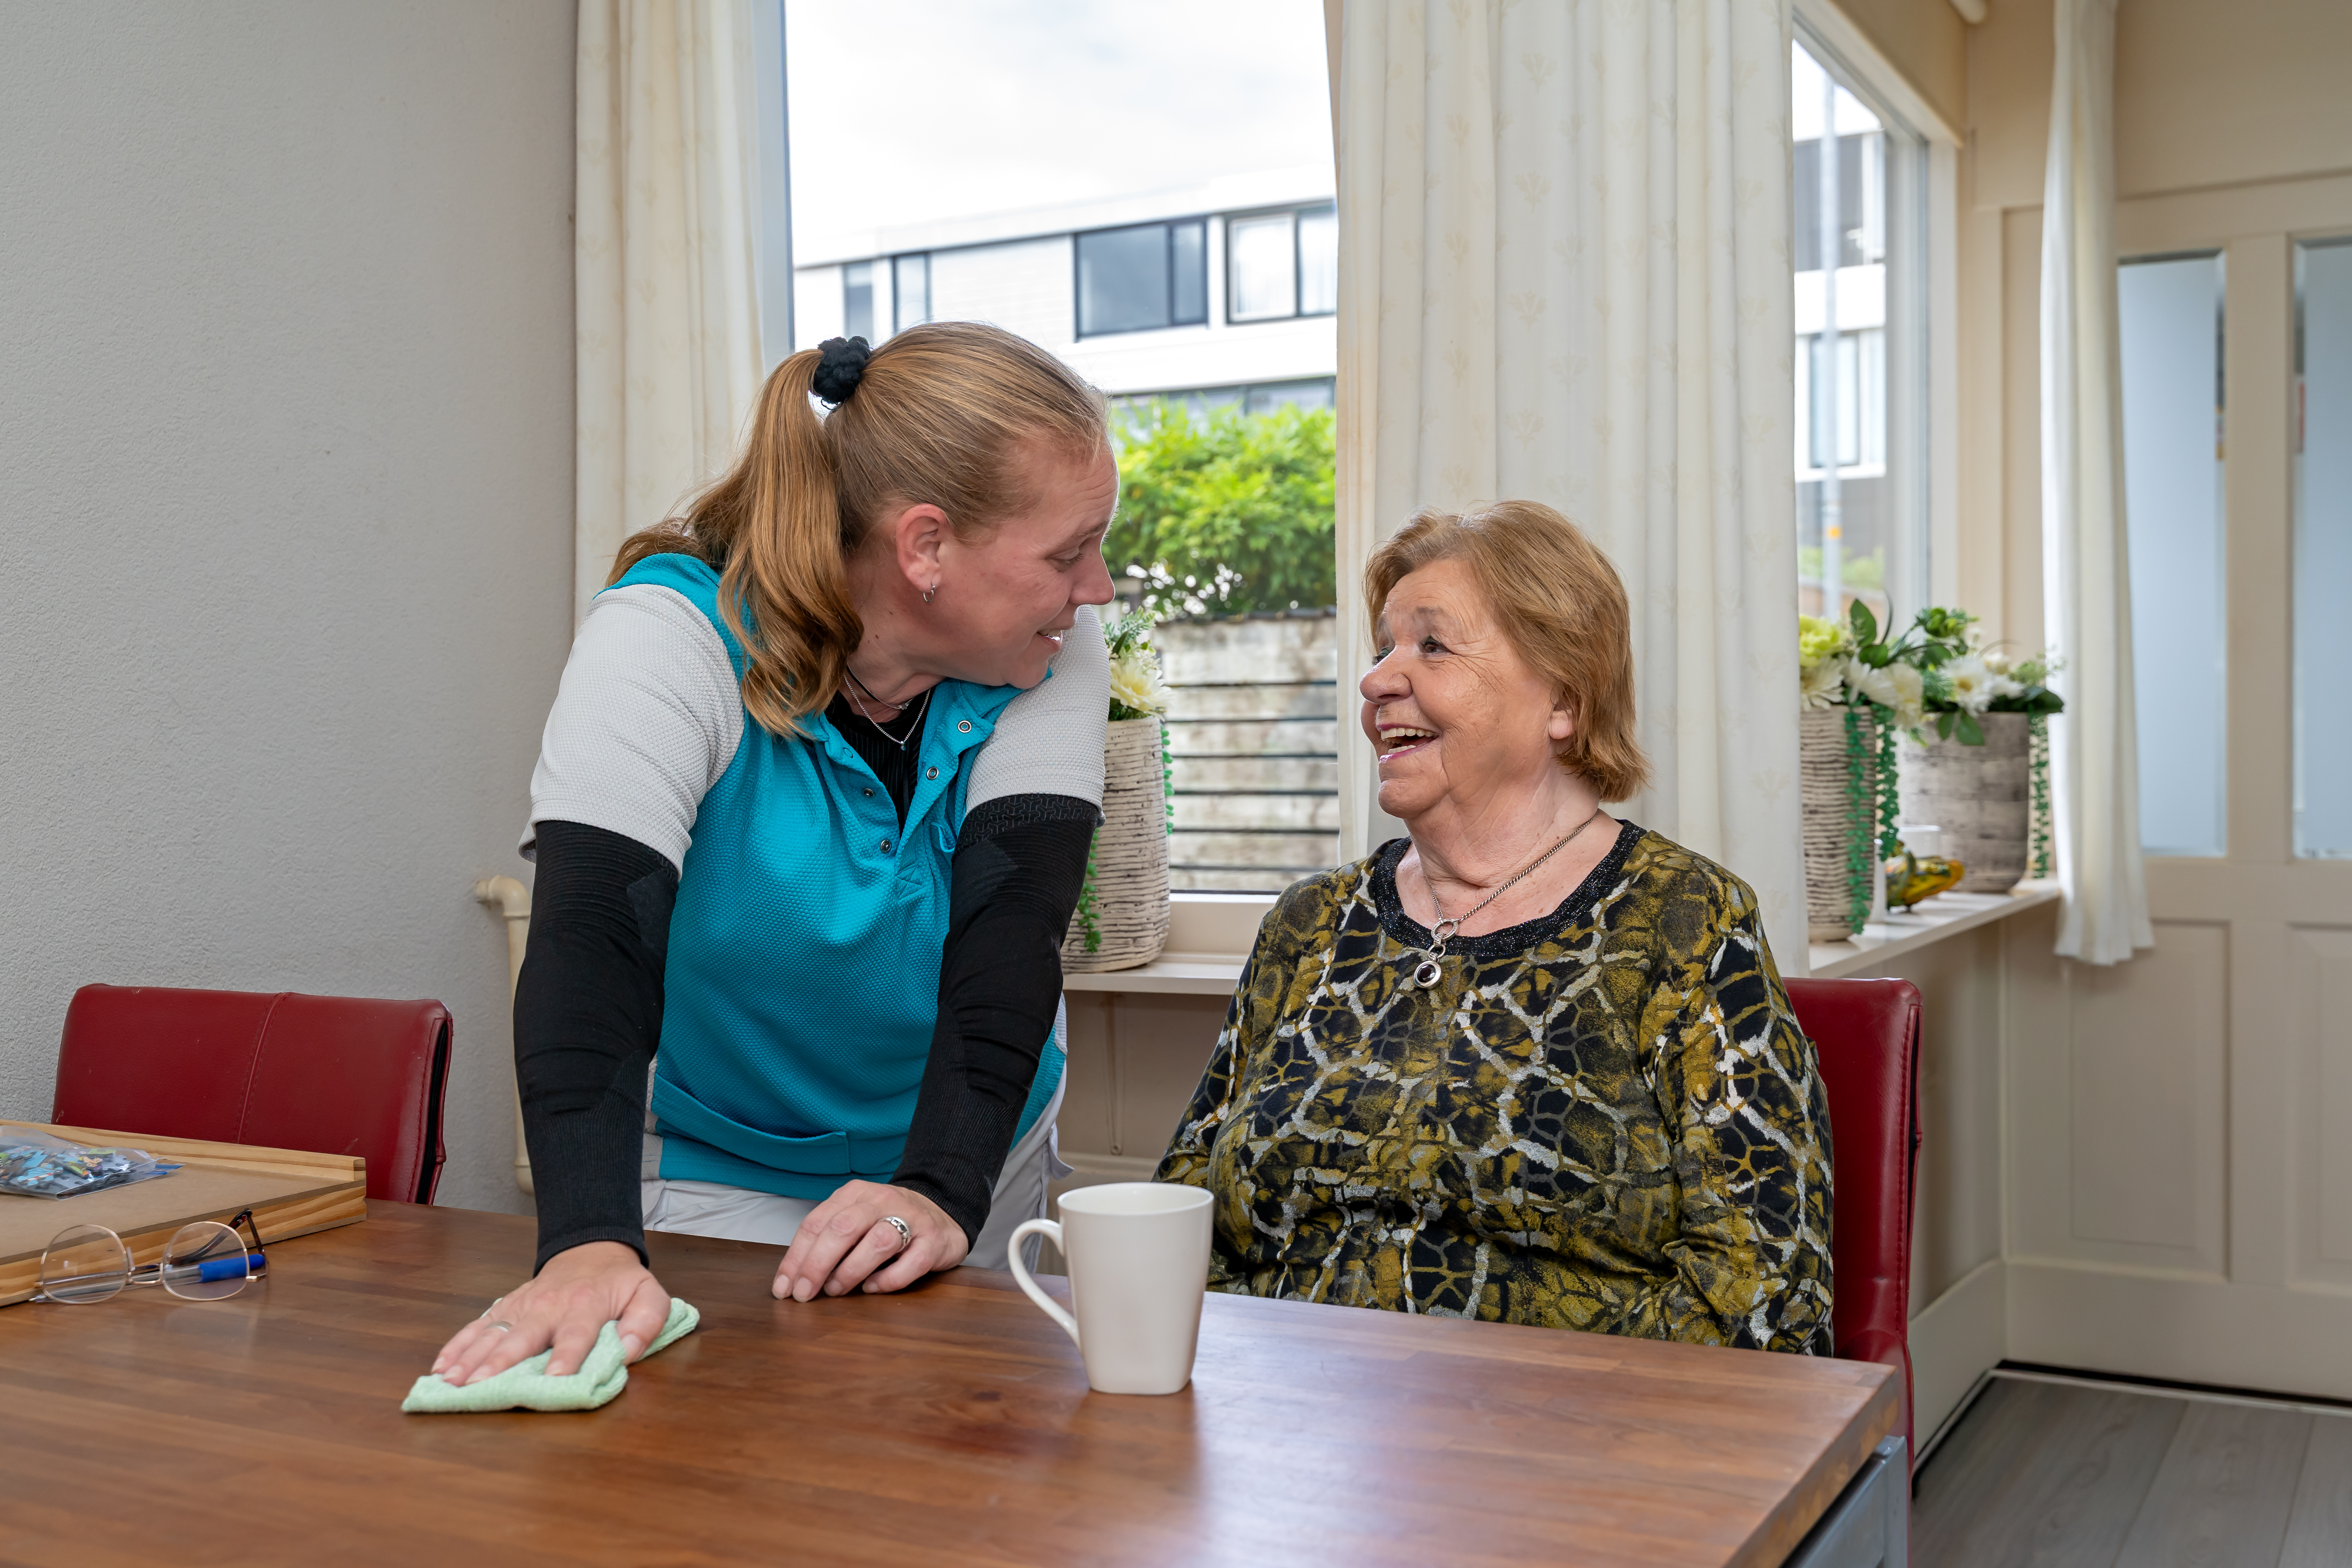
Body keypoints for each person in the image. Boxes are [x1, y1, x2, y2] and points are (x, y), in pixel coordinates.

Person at [434, 323, 1116, 1387]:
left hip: (972, 1152)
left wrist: (938, 1190)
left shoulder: (1048, 651)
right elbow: (593, 938)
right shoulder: (671, 639)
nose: (1099, 586)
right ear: (925, 548)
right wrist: (586, 1244)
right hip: (728, 1172)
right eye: (1070, 552)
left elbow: (1011, 933)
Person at [1154, 501, 1833, 1352]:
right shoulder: (1311, 923)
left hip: (1558, 1449)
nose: (1376, 681)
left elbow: (1763, 1300)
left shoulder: (1685, 921)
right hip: (1285, 1423)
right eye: (1383, 648)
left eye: (1432, 646)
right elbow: (1186, 1218)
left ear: (1563, 700)